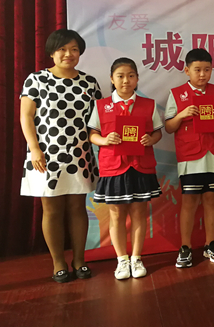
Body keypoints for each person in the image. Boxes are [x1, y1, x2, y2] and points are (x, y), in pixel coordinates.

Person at [19, 29, 102, 283]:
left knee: (78, 208)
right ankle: (58, 263)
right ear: (52, 52)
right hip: (46, 156)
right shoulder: (36, 80)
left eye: (74, 49)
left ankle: (79, 260)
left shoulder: (89, 83)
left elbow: (98, 121)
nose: (68, 54)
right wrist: (34, 148)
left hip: (80, 156)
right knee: (52, 210)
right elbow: (26, 116)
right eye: (62, 49)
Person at [88, 58, 163, 279]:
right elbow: (92, 134)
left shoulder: (148, 105)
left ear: (137, 78)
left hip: (140, 165)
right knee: (116, 214)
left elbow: (158, 132)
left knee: (139, 212)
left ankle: (136, 258)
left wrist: (151, 139)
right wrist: (105, 140)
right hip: (113, 166)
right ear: (112, 79)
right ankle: (122, 260)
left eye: (131, 76)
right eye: (120, 76)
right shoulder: (101, 105)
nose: (125, 81)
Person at [165, 48, 214, 268]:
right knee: (189, 202)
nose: (202, 74)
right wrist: (182, 115)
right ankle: (185, 247)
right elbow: (168, 127)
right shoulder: (177, 94)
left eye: (207, 70)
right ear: (187, 71)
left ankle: (210, 244)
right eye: (197, 70)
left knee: (212, 199)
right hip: (190, 156)